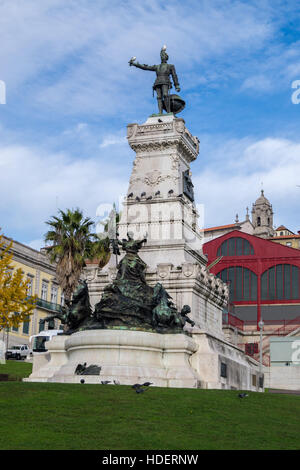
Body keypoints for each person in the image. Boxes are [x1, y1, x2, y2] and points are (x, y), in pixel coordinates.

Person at [129, 46, 180, 114]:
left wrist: (176, 85)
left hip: (165, 81)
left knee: (165, 95)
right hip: (158, 82)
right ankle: (160, 112)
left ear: (166, 58)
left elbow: (174, 76)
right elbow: (145, 67)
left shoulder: (170, 66)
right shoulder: (157, 66)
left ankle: (168, 112)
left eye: (163, 55)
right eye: (161, 56)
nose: (162, 57)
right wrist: (134, 64)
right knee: (159, 97)